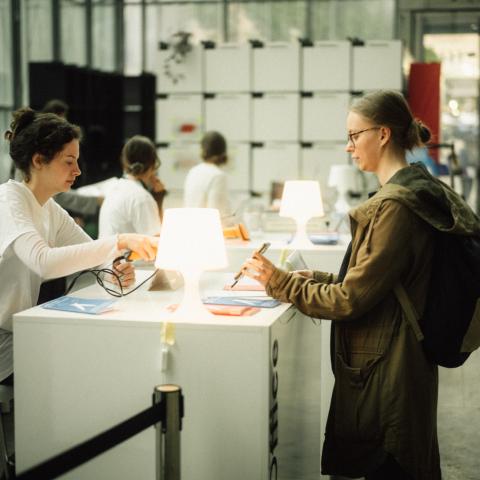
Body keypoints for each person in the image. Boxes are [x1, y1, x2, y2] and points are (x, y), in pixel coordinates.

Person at [241, 90, 480, 480]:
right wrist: (315, 278)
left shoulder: (396, 207)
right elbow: (382, 282)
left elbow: (351, 299)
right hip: (397, 359)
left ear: (383, 134)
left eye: (355, 135)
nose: (349, 147)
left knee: (392, 465)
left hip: (390, 371)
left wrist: (280, 283)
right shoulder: (415, 191)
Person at [0, 108, 158, 386]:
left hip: (19, 334)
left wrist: (114, 272)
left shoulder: (48, 208)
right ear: (39, 160)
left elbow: (94, 256)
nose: (78, 171)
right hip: (5, 343)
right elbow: (44, 261)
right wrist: (118, 242)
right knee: (90, 365)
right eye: (69, 161)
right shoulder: (9, 201)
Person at [98, 135, 165, 237]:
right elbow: (156, 242)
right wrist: (159, 199)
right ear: (153, 165)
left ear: (125, 161)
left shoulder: (114, 188)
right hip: (126, 253)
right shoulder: (141, 198)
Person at [183, 131, 231, 220]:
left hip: (190, 227)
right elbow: (216, 215)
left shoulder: (193, 171)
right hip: (208, 231)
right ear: (223, 152)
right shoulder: (218, 176)